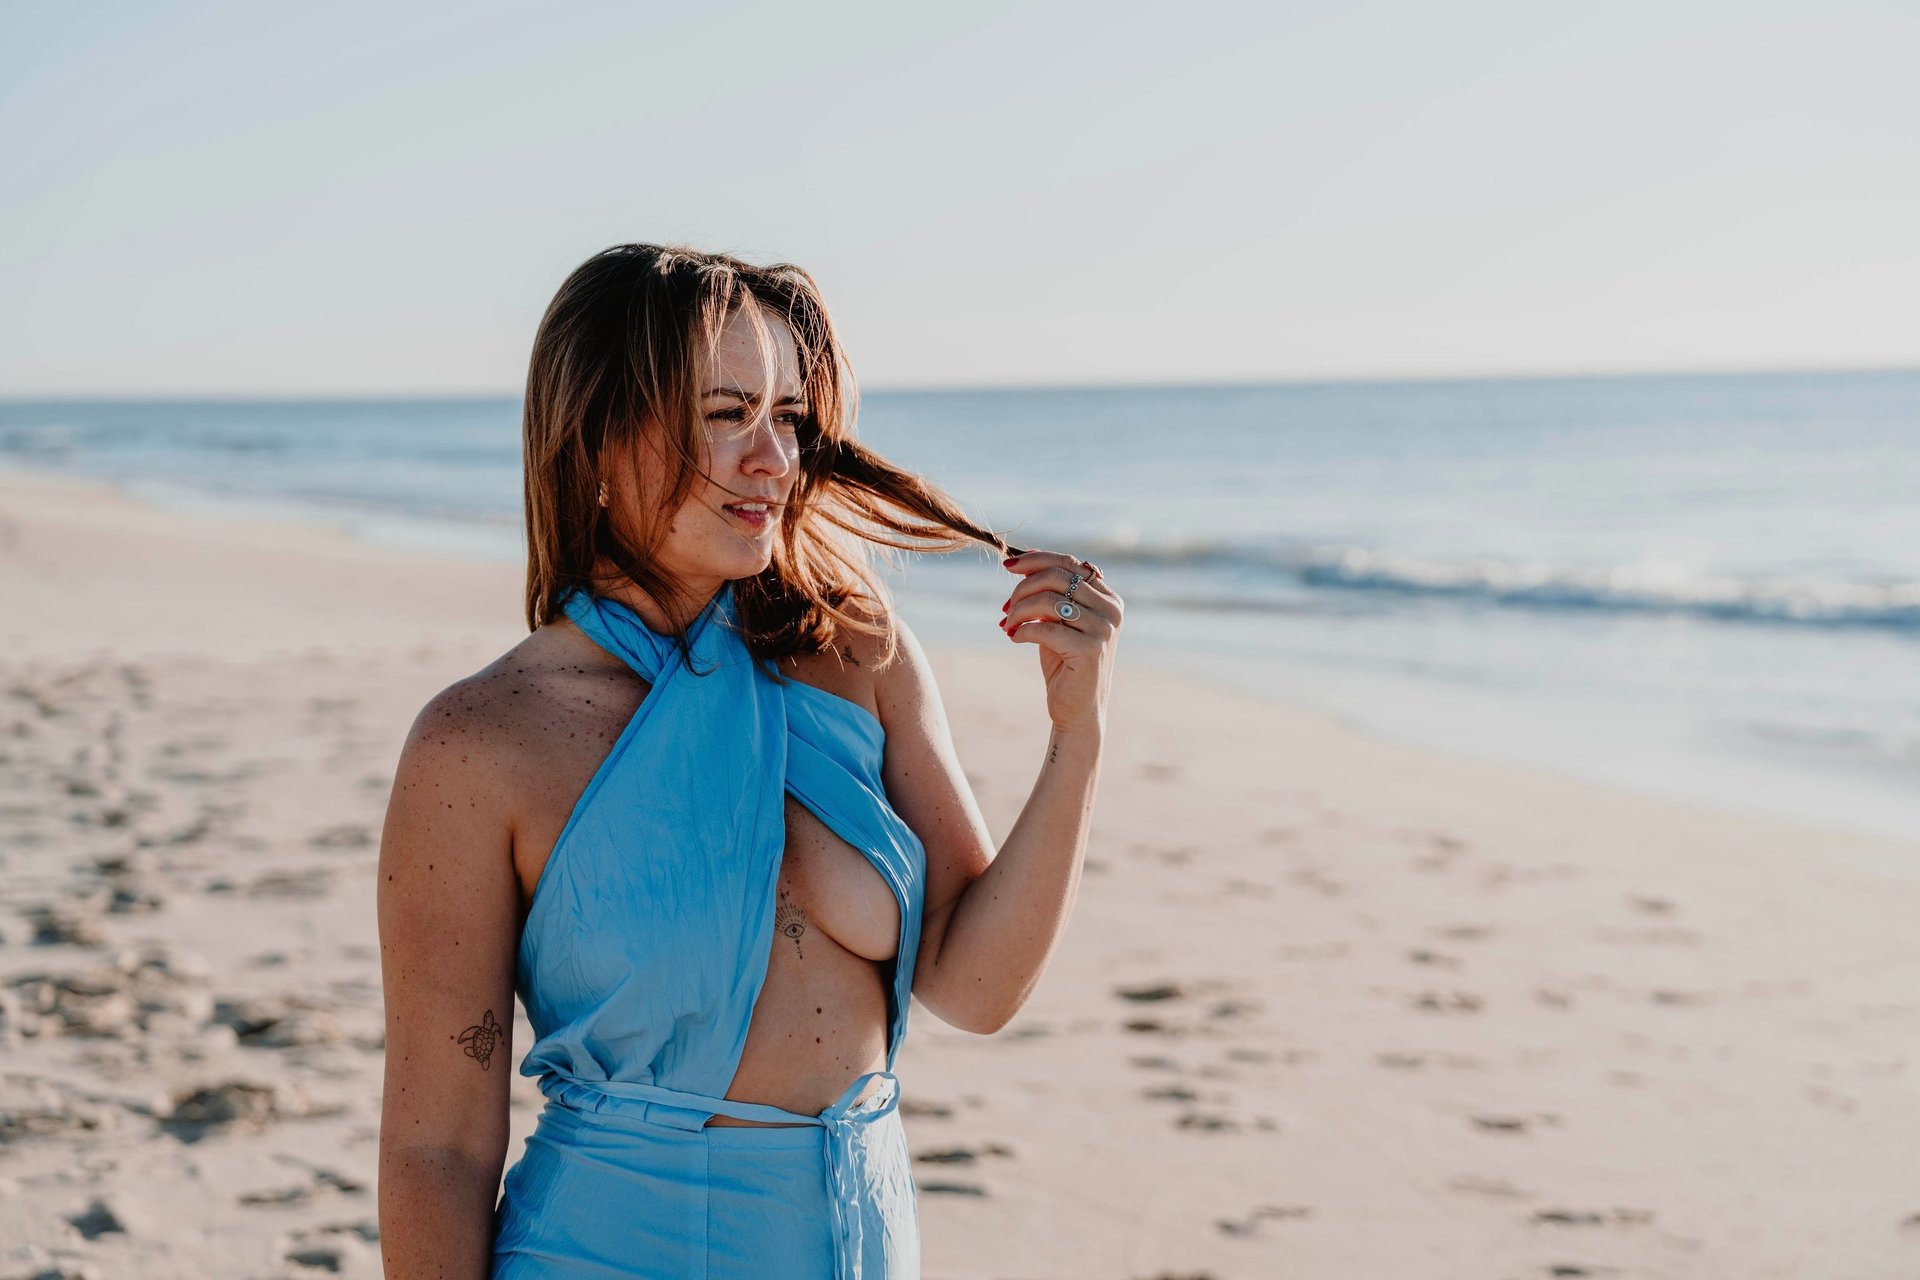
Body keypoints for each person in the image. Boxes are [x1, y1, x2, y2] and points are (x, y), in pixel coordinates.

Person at [375, 243, 1122, 1279]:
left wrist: (1075, 736)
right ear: (596, 432)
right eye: (727, 415)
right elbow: (437, 1145)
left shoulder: (861, 653)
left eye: (789, 418)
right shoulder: (482, 742)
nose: (773, 457)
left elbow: (978, 983)